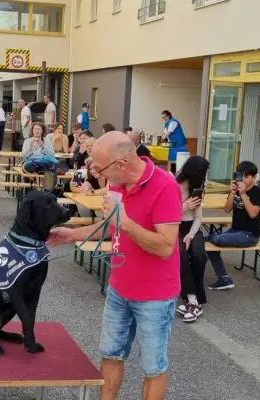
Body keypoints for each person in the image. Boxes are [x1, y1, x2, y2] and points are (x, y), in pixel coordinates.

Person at [48, 131, 181, 400]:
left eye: (99, 167)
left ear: (120, 165)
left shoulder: (166, 186)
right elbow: (111, 225)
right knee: (110, 354)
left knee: (153, 367)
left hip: (154, 296)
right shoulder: (117, 184)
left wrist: (126, 222)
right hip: (119, 288)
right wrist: (71, 234)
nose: (96, 172)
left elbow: (166, 246)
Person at [206, 161, 260, 290]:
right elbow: (227, 209)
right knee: (204, 243)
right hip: (234, 231)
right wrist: (232, 193)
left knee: (216, 239)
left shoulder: (258, 192)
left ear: (254, 178)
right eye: (240, 176)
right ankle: (224, 279)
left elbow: (253, 214)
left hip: (250, 235)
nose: (242, 179)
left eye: (247, 176)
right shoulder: (235, 189)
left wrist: (243, 194)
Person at [176, 156, 209, 323]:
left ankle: (194, 297)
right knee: (181, 254)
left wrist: (190, 234)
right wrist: (184, 207)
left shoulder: (197, 188)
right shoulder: (173, 185)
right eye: (203, 173)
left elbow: (198, 218)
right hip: (174, 226)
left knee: (198, 254)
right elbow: (166, 214)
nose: (205, 176)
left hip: (192, 228)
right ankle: (192, 299)